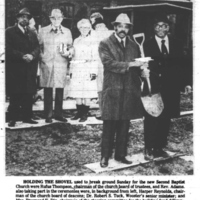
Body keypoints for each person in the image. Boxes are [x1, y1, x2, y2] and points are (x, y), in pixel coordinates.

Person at [98, 13, 149, 168]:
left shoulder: (134, 45)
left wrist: (142, 70)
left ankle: (120, 155)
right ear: (115, 27)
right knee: (109, 124)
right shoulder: (105, 43)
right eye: (120, 26)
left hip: (128, 90)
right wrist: (130, 65)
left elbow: (138, 66)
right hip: (112, 89)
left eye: (126, 27)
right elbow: (109, 64)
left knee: (124, 124)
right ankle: (105, 157)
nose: (122, 29)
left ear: (129, 29)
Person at [143, 14, 192, 160]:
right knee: (152, 116)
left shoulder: (177, 43)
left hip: (171, 87)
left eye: (164, 25)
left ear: (168, 27)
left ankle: (159, 147)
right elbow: (141, 64)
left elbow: (184, 65)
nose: (160, 29)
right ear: (154, 28)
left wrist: (186, 83)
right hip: (154, 87)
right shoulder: (146, 44)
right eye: (157, 26)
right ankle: (149, 147)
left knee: (166, 117)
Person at [38, 9, 74, 123]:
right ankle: (48, 115)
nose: (56, 20)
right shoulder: (43, 31)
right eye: (53, 18)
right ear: (50, 18)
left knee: (60, 89)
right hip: (47, 64)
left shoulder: (67, 32)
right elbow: (38, 46)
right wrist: (42, 57)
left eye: (59, 18)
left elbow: (71, 46)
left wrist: (69, 53)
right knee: (47, 88)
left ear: (62, 18)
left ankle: (58, 114)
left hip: (61, 63)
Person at [6, 8, 40, 127]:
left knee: (28, 93)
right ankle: (12, 118)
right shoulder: (9, 31)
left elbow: (37, 47)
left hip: (29, 68)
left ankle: (27, 117)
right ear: (17, 18)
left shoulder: (32, 32)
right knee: (15, 93)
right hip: (16, 68)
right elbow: (7, 48)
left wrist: (32, 55)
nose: (25, 19)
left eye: (27, 17)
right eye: (22, 17)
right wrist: (22, 56)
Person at [69, 19, 98, 122]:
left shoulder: (93, 41)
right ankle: (79, 112)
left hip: (88, 68)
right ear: (79, 28)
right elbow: (73, 57)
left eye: (86, 27)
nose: (84, 29)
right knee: (77, 91)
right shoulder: (76, 40)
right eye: (82, 27)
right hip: (77, 68)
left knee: (86, 92)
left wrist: (94, 72)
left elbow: (95, 57)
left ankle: (85, 114)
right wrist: (71, 71)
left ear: (90, 28)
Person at [90, 13, 113, 120]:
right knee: (105, 89)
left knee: (102, 89)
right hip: (106, 64)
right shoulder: (111, 33)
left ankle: (104, 112)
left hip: (101, 64)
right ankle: (106, 112)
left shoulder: (94, 34)